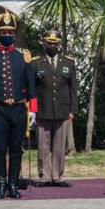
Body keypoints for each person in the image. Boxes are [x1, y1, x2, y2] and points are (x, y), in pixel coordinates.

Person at [0, 11, 37, 199]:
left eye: (10, 32)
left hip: (19, 109)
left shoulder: (24, 56)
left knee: (16, 148)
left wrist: (33, 111)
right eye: (3, 32)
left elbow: (31, 86)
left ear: (14, 34)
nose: (6, 35)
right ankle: (1, 184)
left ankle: (13, 183)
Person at [31, 30, 78, 187]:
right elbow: (31, 88)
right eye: (49, 42)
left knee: (59, 146)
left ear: (59, 44)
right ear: (43, 43)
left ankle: (58, 176)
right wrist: (32, 110)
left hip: (62, 110)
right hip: (42, 110)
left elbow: (73, 89)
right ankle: (44, 176)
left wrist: (73, 110)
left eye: (55, 43)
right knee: (43, 146)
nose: (52, 45)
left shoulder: (68, 63)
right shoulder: (36, 62)